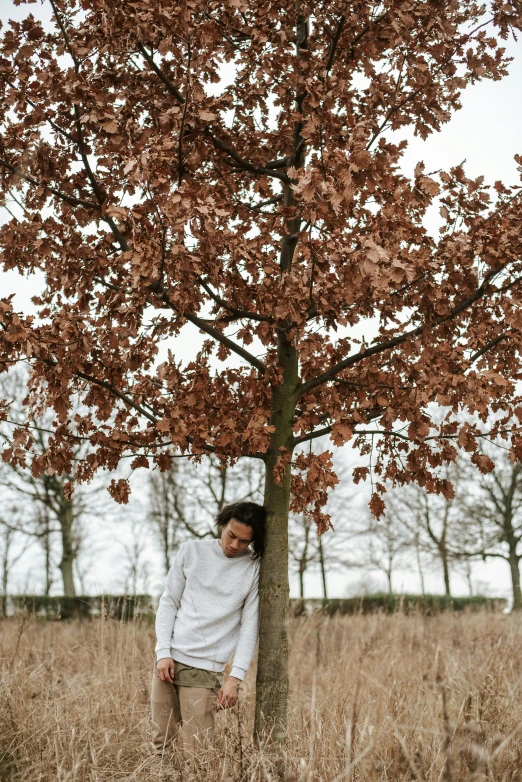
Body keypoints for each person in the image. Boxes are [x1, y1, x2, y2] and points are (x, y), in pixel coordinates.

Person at [150, 500, 266, 765]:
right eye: (231, 536)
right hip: (168, 662)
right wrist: (163, 652)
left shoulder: (253, 568)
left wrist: (234, 678)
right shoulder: (191, 551)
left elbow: (250, 626)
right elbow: (168, 602)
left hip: (205, 671)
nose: (234, 545)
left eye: (244, 542)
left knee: (198, 753)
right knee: (161, 745)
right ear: (222, 525)